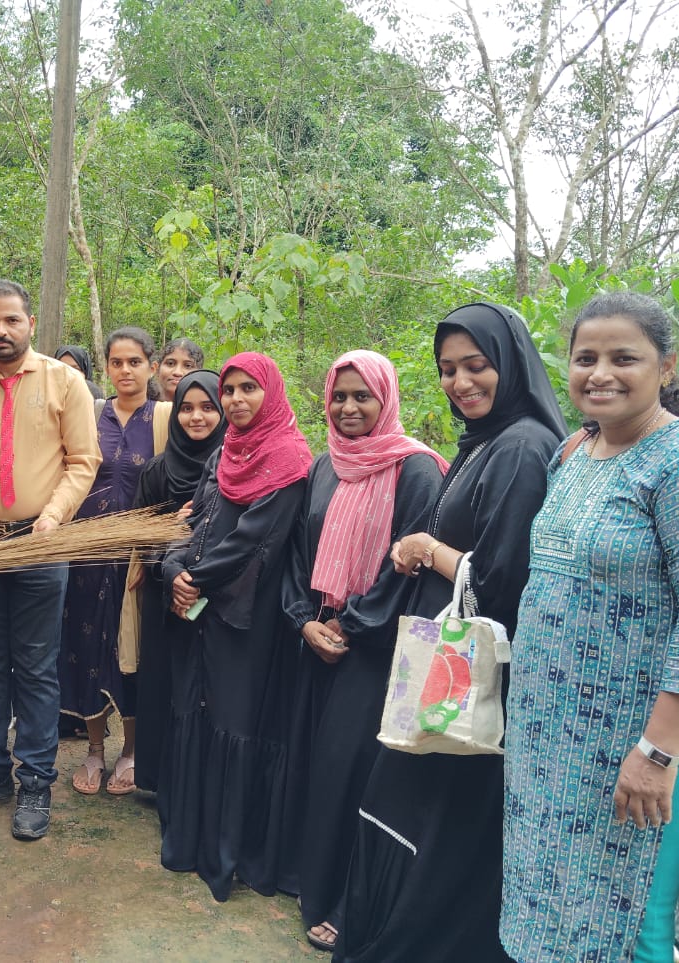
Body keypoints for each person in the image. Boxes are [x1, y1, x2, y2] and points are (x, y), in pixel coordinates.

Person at [333, 302, 565, 962]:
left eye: (476, 365)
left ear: (511, 363)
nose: (459, 382)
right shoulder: (487, 441)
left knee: (433, 830)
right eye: (446, 369)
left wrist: (427, 549)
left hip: (470, 676)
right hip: (443, 668)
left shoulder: (521, 449)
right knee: (413, 819)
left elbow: (507, 584)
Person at [502, 292, 679, 962]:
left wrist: (656, 753)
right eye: (586, 357)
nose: (602, 373)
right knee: (551, 915)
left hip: (637, 755)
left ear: (667, 366)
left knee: (628, 933)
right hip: (549, 748)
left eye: (625, 357)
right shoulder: (574, 451)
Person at [277, 350, 447, 952]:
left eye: (362, 397)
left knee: (354, 775)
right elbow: (298, 554)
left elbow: (411, 570)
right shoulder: (325, 466)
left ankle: (348, 901)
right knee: (314, 764)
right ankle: (308, 879)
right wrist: (303, 621)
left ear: (386, 399)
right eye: (339, 397)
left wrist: (350, 625)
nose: (348, 409)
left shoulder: (418, 469)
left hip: (376, 649)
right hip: (318, 636)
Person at [0, 278, 100, 840]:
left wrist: (52, 518)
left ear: (30, 323)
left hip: (42, 543)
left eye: (10, 321)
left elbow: (83, 460)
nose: (0, 332)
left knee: (34, 665)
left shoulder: (64, 381)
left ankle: (35, 780)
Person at [158, 352, 311, 901]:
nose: (236, 400)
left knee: (234, 721)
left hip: (250, 618)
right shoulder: (226, 452)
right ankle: (190, 842)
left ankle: (226, 854)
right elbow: (195, 520)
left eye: (249, 389)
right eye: (231, 390)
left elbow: (256, 538)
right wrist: (174, 568)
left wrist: (193, 578)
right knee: (197, 711)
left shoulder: (289, 456)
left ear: (271, 392)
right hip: (203, 608)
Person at [59, 327, 167, 797]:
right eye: (117, 363)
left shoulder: (164, 419)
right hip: (87, 556)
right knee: (86, 652)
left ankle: (132, 752)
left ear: (152, 366)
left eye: (134, 362)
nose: (125, 371)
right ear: (106, 368)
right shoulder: (90, 415)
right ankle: (95, 751)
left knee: (134, 653)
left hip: (139, 558)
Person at [130, 369, 226, 794]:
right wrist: (172, 540)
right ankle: (159, 779)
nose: (196, 417)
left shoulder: (235, 467)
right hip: (164, 596)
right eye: (186, 408)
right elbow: (138, 537)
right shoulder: (156, 471)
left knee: (207, 690)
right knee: (163, 686)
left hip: (216, 597)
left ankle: (201, 782)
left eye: (208, 408)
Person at [156, 338, 204, 402]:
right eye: (170, 363)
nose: (177, 372)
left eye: (188, 366)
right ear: (157, 369)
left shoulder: (208, 410)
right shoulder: (141, 407)